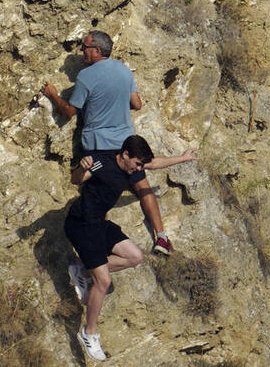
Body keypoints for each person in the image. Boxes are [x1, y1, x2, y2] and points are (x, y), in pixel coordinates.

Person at [42, 30, 176, 255]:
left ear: (96, 50)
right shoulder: (124, 70)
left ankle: (100, 248)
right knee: (142, 186)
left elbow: (69, 112)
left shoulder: (86, 76)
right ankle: (161, 236)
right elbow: (138, 103)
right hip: (126, 143)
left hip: (99, 145)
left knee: (99, 195)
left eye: (85, 47)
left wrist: (53, 94)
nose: (82, 51)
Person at [64, 135, 196, 361]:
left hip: (100, 224)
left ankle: (83, 272)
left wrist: (182, 159)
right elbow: (76, 180)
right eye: (136, 164)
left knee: (135, 257)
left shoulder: (132, 167)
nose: (138, 170)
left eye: (140, 166)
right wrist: (80, 167)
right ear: (125, 155)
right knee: (103, 281)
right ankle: (89, 333)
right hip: (81, 224)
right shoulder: (101, 161)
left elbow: (154, 163)